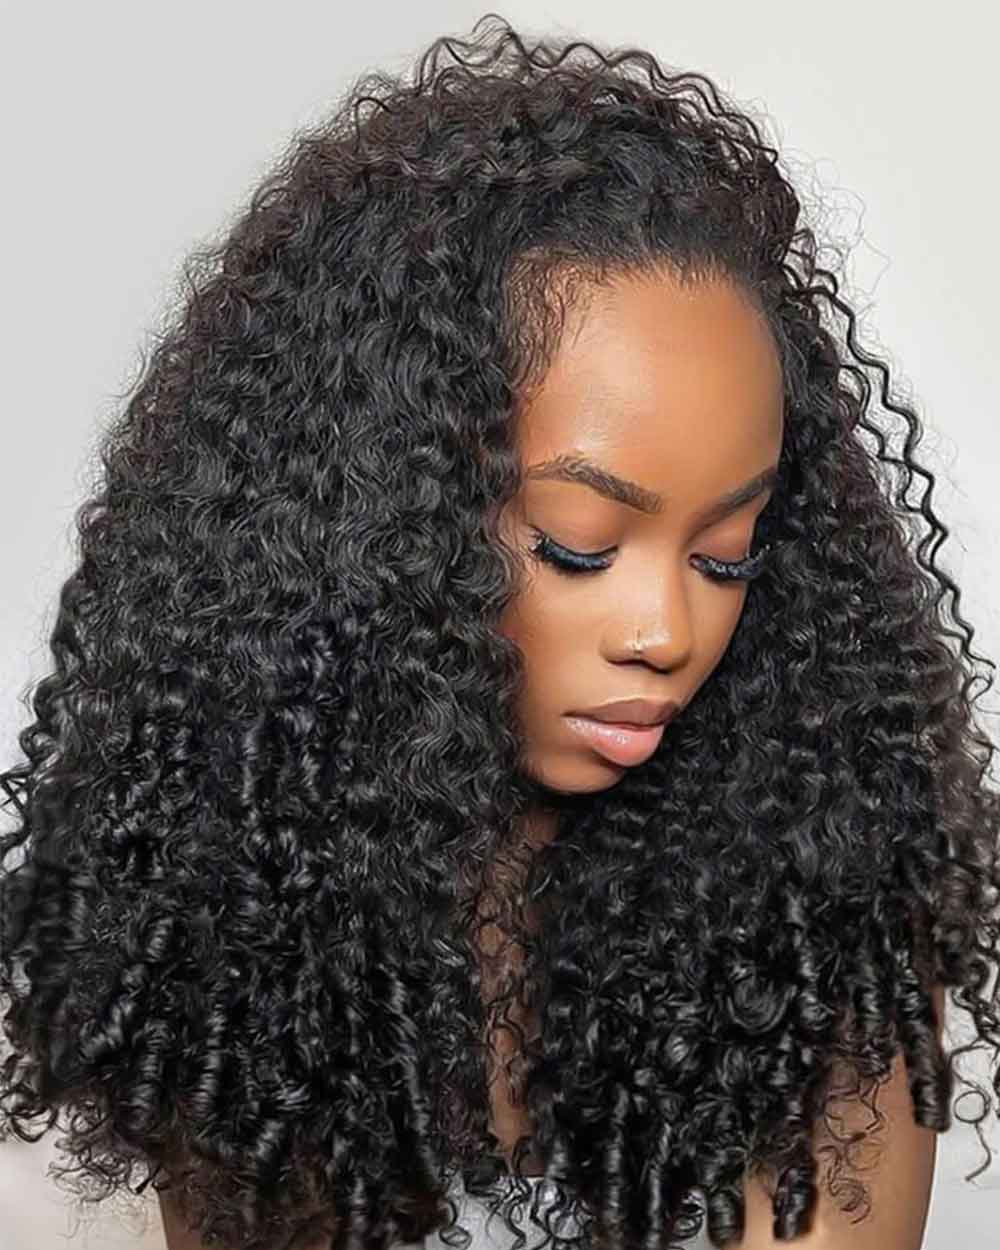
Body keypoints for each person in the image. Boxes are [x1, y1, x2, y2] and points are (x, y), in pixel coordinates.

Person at [0, 13, 995, 1250]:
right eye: (580, 544)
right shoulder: (242, 905)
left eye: (724, 553)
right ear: (378, 524)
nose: (665, 629)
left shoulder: (824, 902)